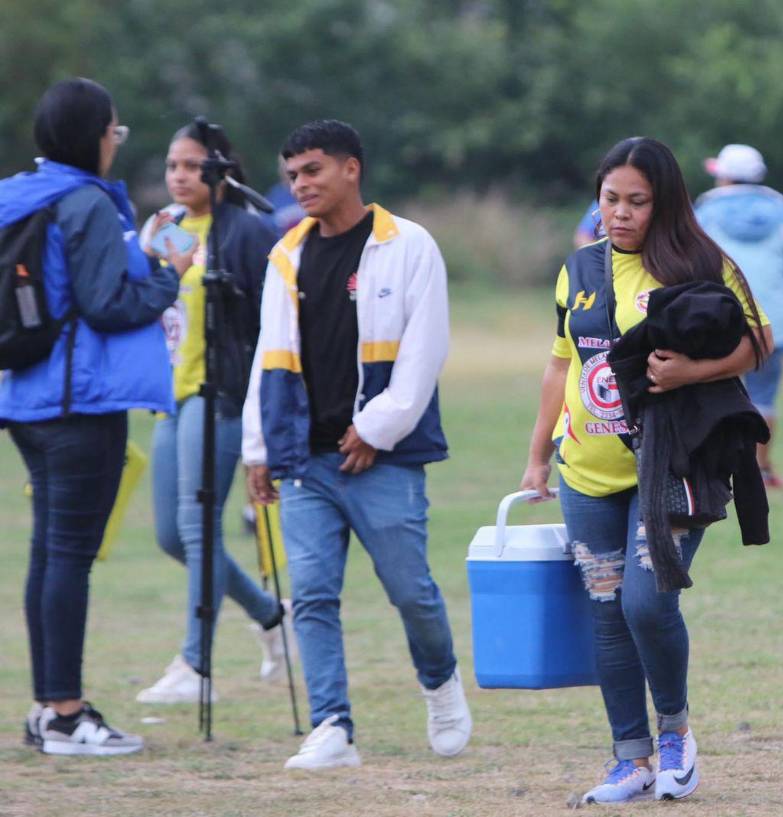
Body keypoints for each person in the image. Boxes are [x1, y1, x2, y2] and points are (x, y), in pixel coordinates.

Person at [521, 137, 772, 804]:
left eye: (637, 201)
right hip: (585, 470)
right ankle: (628, 758)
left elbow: (758, 341)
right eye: (611, 200)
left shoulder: (700, 264)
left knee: (645, 599)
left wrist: (693, 369)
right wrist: (537, 454)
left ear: (664, 203)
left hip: (675, 463)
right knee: (606, 610)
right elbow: (559, 363)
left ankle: (675, 735)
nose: (621, 213)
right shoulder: (577, 269)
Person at [243, 119, 470, 769]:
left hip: (385, 454)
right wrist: (257, 448)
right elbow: (268, 357)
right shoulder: (285, 253)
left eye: (312, 170)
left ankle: (441, 682)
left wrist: (376, 428)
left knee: (410, 589)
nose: (300, 185)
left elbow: (426, 352)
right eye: (291, 175)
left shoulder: (410, 245)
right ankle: (332, 725)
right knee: (312, 594)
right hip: (306, 456)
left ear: (351, 169)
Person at [0, 78, 179, 755]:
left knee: (50, 555)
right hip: (82, 403)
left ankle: (50, 707)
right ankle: (69, 714)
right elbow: (108, 304)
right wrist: (169, 273)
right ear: (92, 135)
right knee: (69, 558)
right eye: (114, 131)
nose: (115, 142)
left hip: (23, 397)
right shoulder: (87, 204)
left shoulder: (18, 194)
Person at [134, 124, 290, 704]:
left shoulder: (247, 232)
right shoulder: (160, 229)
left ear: (219, 169)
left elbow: (268, 321)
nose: (178, 175)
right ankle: (274, 617)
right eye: (172, 164)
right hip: (168, 398)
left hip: (219, 393)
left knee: (199, 528)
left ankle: (195, 664)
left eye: (191, 164)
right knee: (174, 538)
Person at [695, 143, 783, 487]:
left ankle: (713, 468)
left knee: (714, 389)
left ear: (725, 176)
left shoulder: (703, 213)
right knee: (764, 394)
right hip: (773, 320)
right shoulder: (780, 212)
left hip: (717, 318)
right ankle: (761, 470)